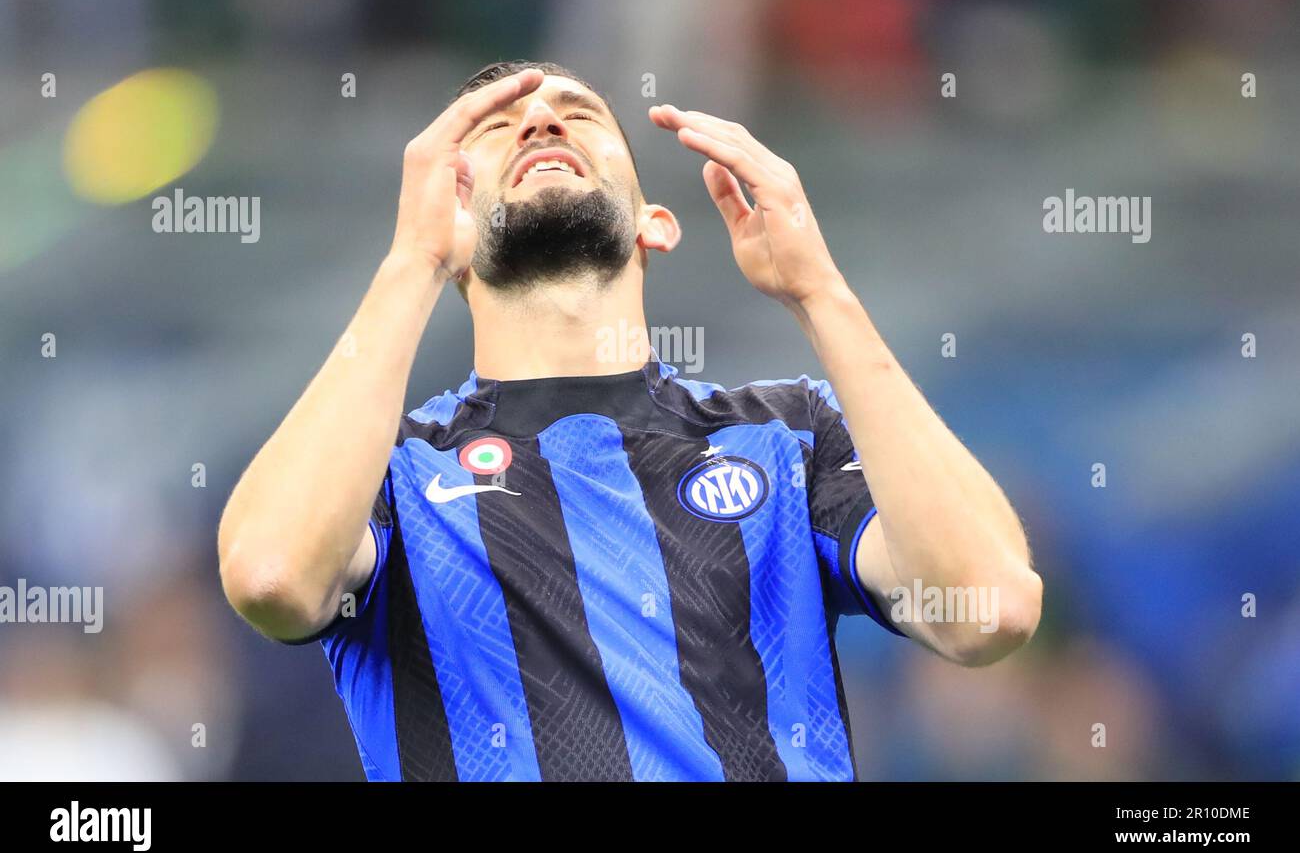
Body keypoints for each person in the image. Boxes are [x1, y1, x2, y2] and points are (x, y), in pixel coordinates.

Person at [217, 60, 1042, 781]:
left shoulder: (787, 436)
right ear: (455, 228)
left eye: (577, 114)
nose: (540, 118)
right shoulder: (395, 471)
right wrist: (411, 264)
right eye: (498, 128)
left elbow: (989, 611)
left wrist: (822, 293)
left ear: (656, 222)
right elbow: (272, 579)